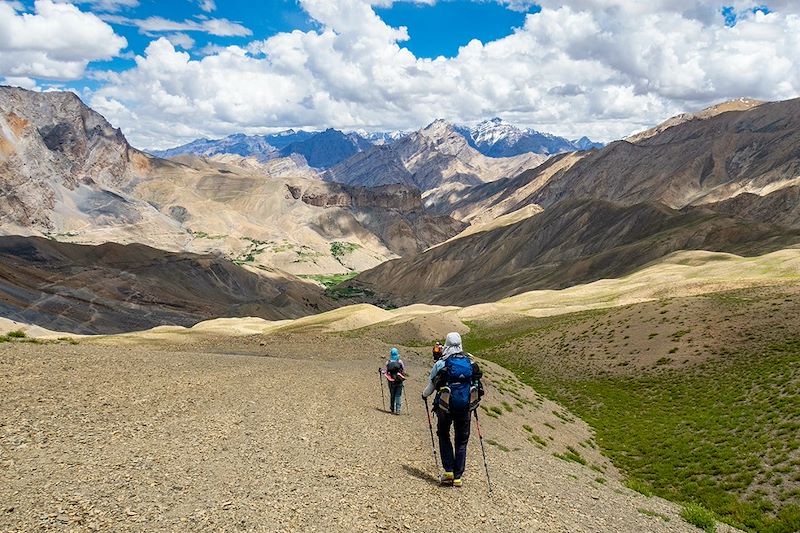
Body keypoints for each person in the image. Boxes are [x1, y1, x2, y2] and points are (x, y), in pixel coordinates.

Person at [422, 332, 483, 487]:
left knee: (443, 434)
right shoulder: (469, 362)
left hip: (444, 406)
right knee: (462, 440)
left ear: (446, 343)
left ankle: (448, 470)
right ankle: (458, 476)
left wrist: (424, 395)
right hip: (465, 407)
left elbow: (430, 387)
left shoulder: (441, 363)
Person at [384, 347, 406, 415]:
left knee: (392, 394)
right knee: (398, 395)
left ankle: (392, 408)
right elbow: (403, 370)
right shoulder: (400, 362)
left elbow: (386, 371)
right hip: (399, 380)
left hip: (391, 381)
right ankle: (398, 410)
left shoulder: (388, 362)